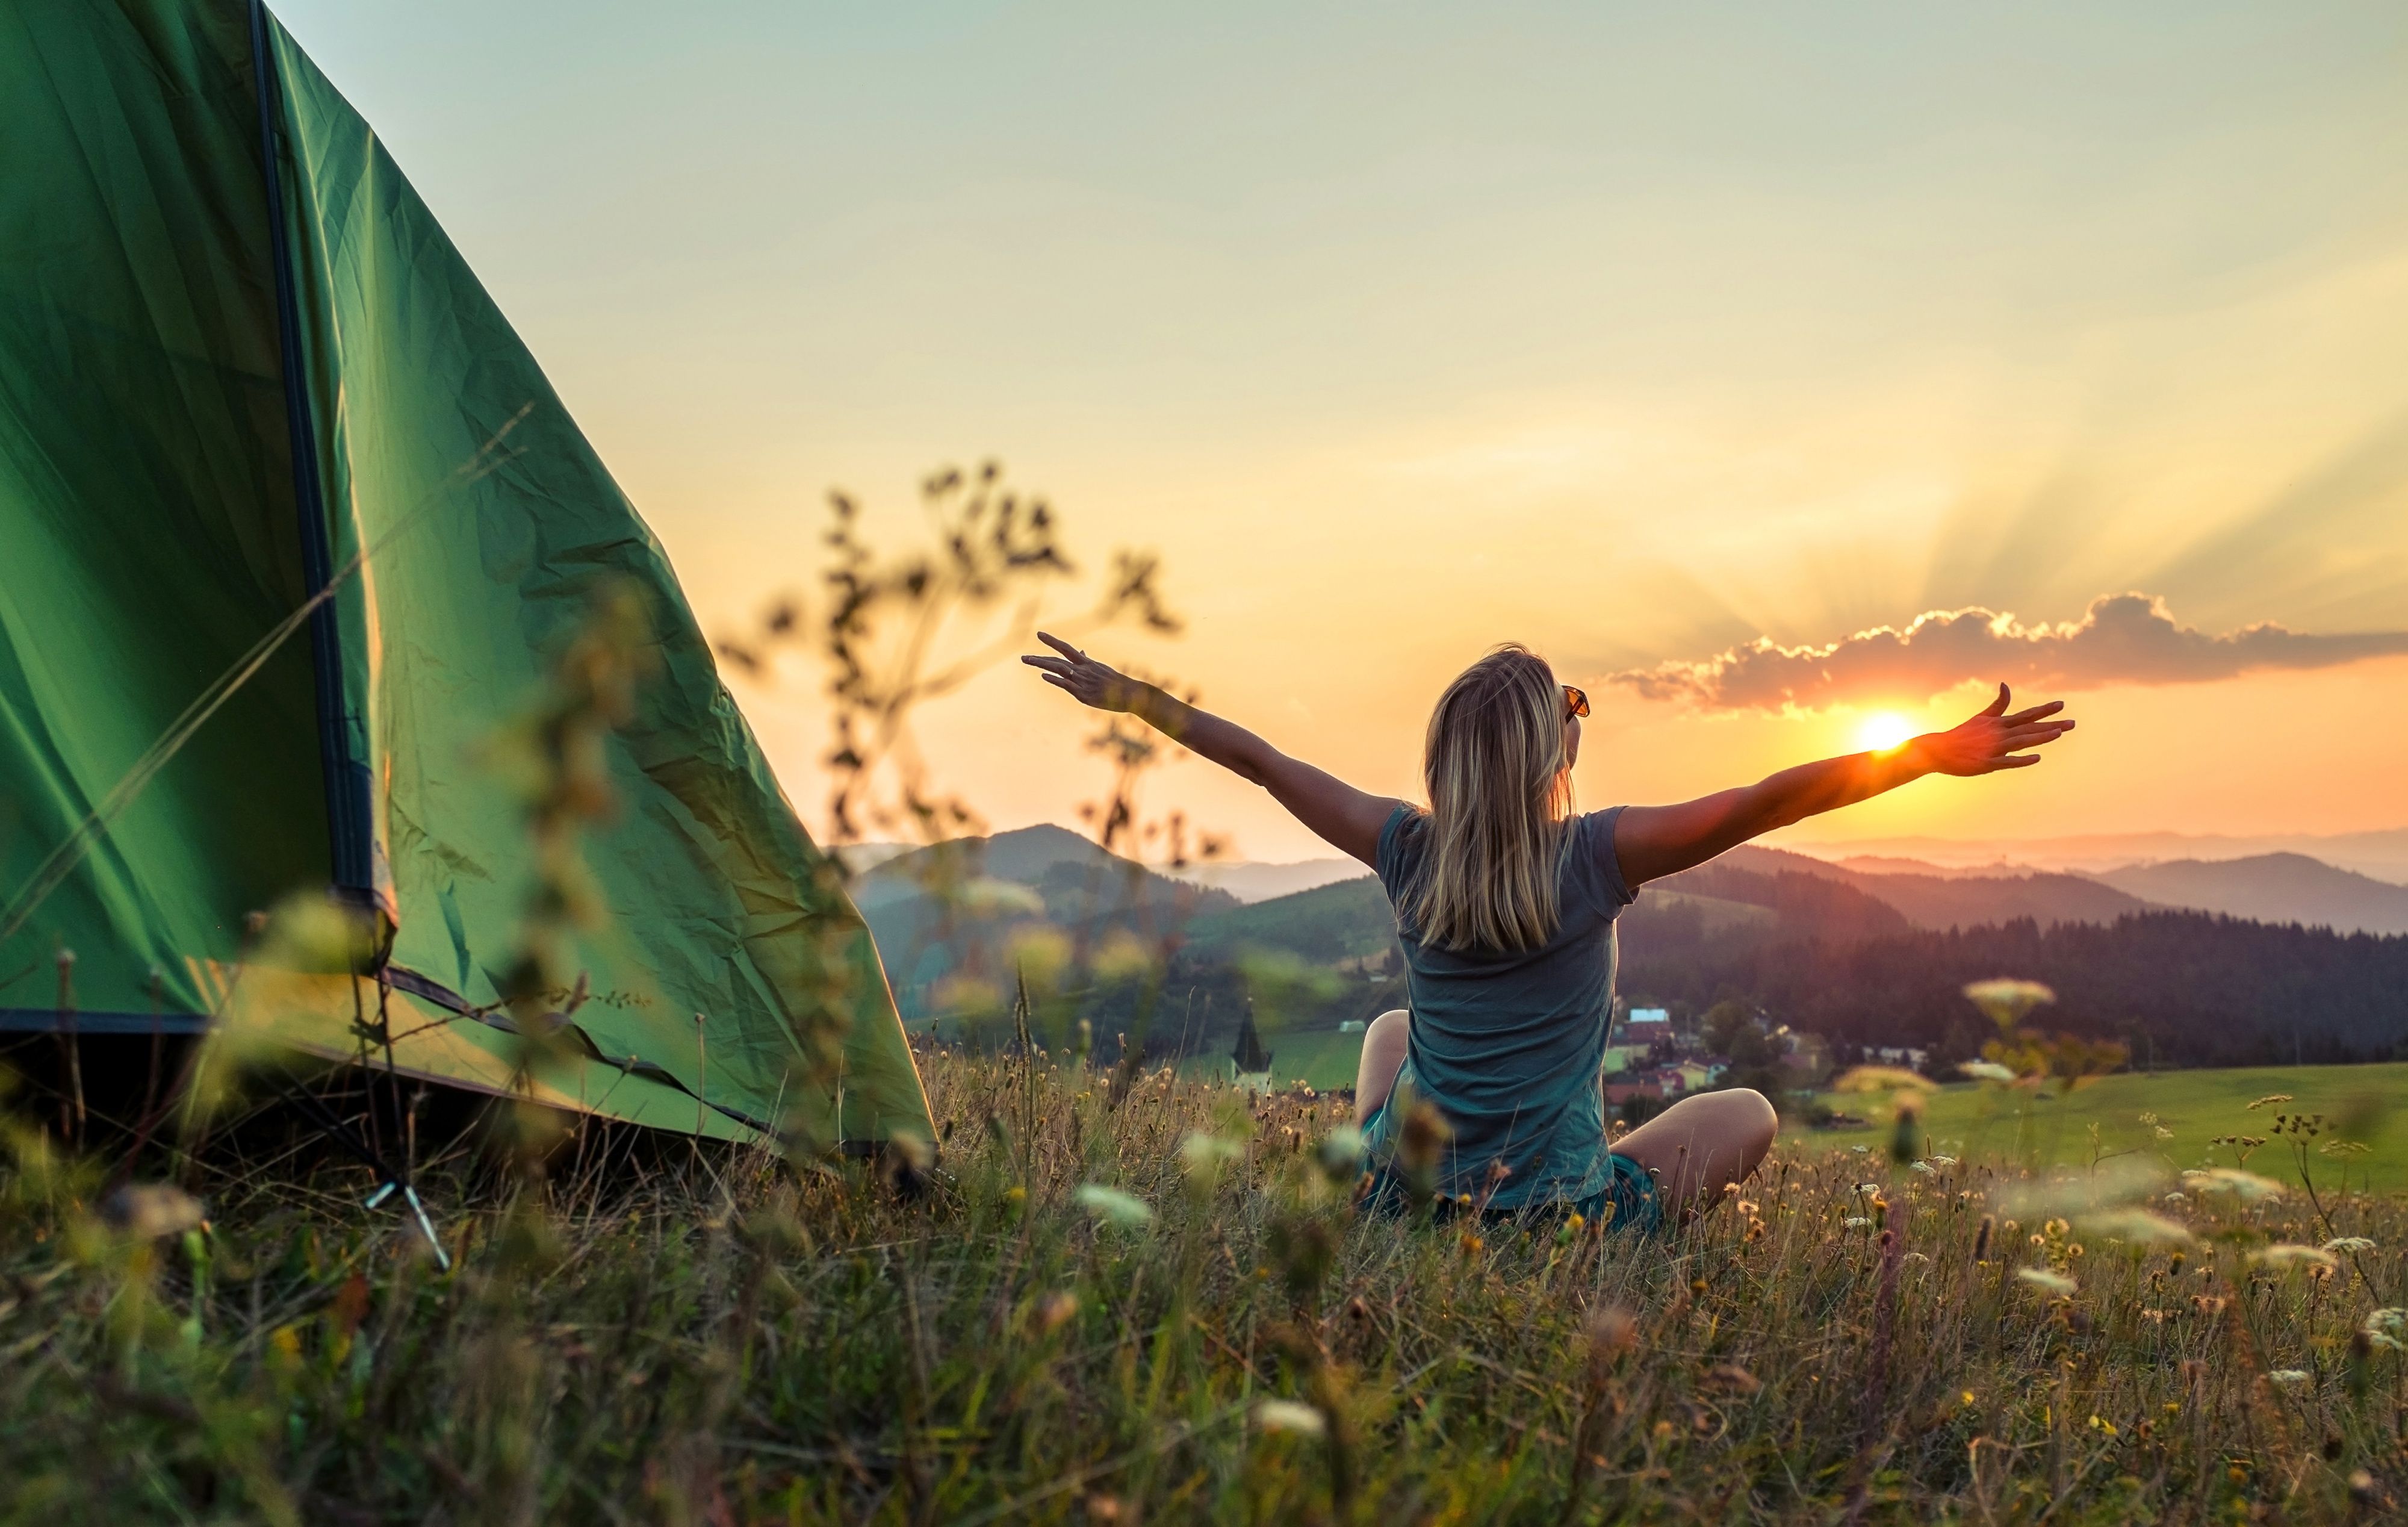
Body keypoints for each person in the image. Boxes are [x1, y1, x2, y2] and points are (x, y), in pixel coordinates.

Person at [1022, 635, 2073, 1229]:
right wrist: (1926, 752)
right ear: (1547, 756)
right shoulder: (1597, 857)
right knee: (1747, 1111)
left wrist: (1136, 700)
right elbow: (1772, 800)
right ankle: (1564, 1174)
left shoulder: (1403, 847)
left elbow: (1260, 762)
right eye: (1569, 710)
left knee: (1390, 1032)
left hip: (1412, 1194)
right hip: (1554, 1218)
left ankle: (1380, 1184)